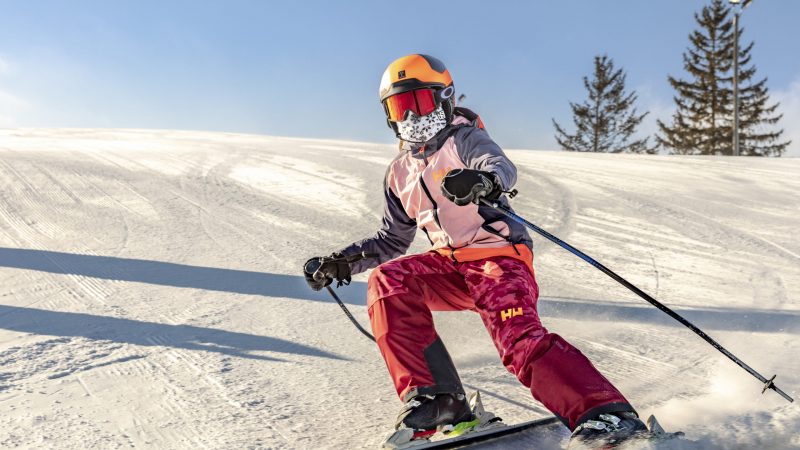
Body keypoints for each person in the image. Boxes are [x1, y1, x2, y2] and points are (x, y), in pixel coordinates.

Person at [304, 54, 647, 446]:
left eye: (422, 102)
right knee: (389, 280)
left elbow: (499, 165)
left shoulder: (464, 139)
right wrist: (343, 262)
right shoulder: (398, 172)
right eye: (402, 107)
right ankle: (439, 401)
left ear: (445, 98)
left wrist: (482, 181)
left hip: (497, 258)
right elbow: (392, 239)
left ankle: (604, 415)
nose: (414, 117)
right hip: (449, 268)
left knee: (517, 340)